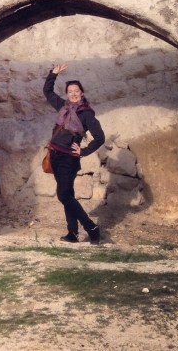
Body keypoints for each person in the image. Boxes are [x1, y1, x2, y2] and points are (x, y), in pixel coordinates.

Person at [44, 63, 105, 243]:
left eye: (76, 91)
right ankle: (73, 233)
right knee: (67, 195)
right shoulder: (63, 106)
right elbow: (47, 92)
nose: (73, 93)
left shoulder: (86, 114)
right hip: (54, 155)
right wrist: (52, 74)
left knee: (63, 195)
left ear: (82, 93)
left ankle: (91, 227)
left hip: (68, 159)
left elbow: (100, 138)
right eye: (70, 91)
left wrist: (83, 151)